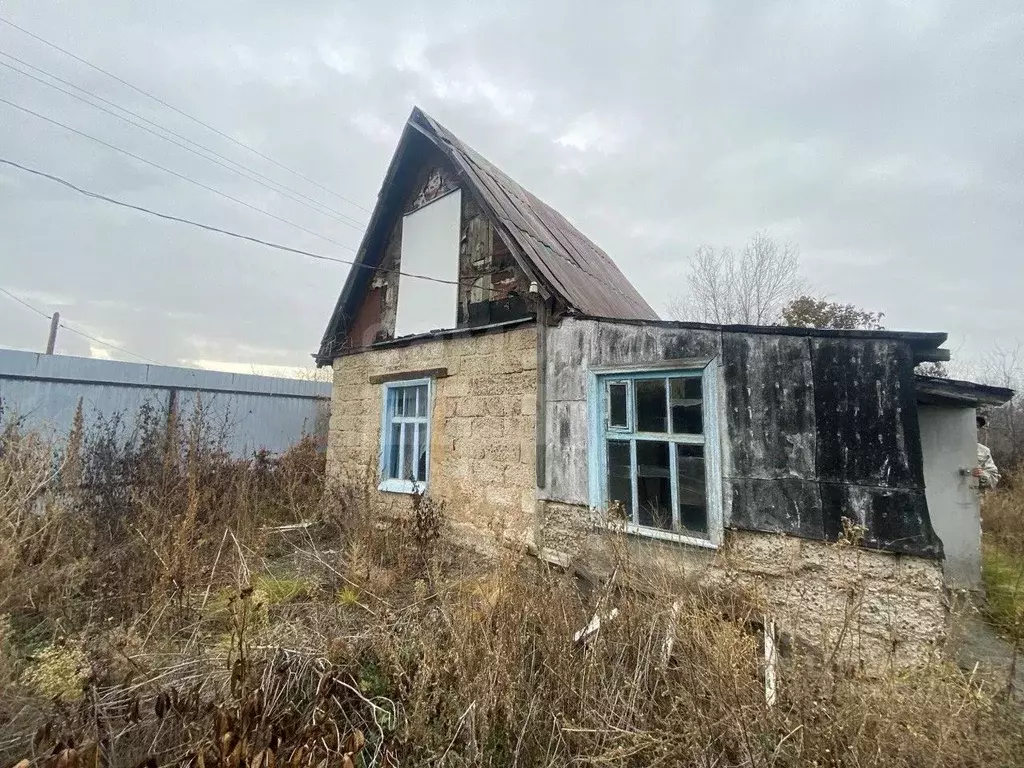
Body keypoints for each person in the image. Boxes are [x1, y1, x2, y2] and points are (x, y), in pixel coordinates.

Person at [974, 413, 1000, 490]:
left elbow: (994, 477)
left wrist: (982, 475)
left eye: (977, 426)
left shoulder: (983, 451)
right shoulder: (943, 448)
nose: (975, 429)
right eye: (971, 425)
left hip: (974, 498)